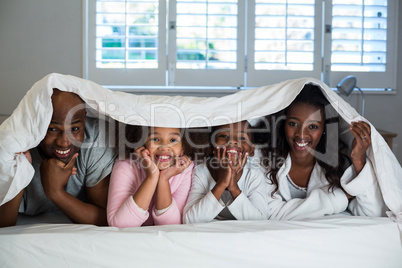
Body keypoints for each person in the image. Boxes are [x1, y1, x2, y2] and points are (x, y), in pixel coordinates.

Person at [257, 84, 387, 220]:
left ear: (324, 129)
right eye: (293, 124)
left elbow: (372, 214)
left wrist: (359, 160)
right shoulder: (264, 158)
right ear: (283, 124)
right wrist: (339, 197)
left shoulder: (338, 163)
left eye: (312, 126)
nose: (301, 135)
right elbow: (271, 213)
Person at [0, 89, 116, 227]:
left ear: (85, 119)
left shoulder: (97, 139)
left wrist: (55, 192)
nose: (64, 142)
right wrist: (19, 171)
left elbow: (106, 219)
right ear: (37, 124)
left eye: (74, 129)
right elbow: (4, 226)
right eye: (53, 129)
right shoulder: (16, 145)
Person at [107, 125, 194, 227]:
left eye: (173, 140)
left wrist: (164, 180)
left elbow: (172, 226)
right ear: (142, 144)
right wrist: (152, 176)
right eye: (155, 139)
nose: (164, 146)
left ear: (182, 148)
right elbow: (120, 225)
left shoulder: (185, 169)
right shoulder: (125, 165)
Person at [183, 121, 268, 224]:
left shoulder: (253, 175)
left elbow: (261, 221)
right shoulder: (201, 170)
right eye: (223, 135)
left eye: (242, 138)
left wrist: (234, 188)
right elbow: (190, 220)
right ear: (212, 146)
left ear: (251, 150)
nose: (233, 141)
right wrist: (222, 183)